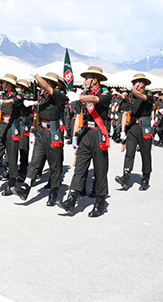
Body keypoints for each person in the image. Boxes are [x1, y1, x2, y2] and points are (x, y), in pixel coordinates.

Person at [57, 66, 112, 218]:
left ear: (95, 79)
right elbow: (80, 115)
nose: (85, 81)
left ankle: (100, 203)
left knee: (100, 169)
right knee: (80, 168)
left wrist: (80, 97)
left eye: (87, 78)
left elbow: (96, 100)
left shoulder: (105, 92)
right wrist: (75, 135)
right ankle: (71, 199)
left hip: (99, 133)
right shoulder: (84, 94)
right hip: (86, 133)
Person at [11, 73, 66, 206]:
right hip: (41, 131)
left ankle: (54, 191)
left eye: (46, 82)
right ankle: (26, 187)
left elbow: (47, 88)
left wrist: (36, 75)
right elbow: (38, 113)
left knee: (54, 164)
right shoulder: (44, 97)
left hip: (53, 132)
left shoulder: (58, 95)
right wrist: (34, 130)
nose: (41, 86)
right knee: (35, 160)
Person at [115, 73, 155, 191]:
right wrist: (122, 131)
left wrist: (132, 90)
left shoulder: (148, 94)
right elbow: (125, 113)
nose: (133, 85)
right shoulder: (130, 97)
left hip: (144, 126)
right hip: (133, 126)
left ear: (141, 83)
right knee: (129, 151)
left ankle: (145, 178)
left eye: (135, 83)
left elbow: (143, 98)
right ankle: (126, 176)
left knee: (145, 153)